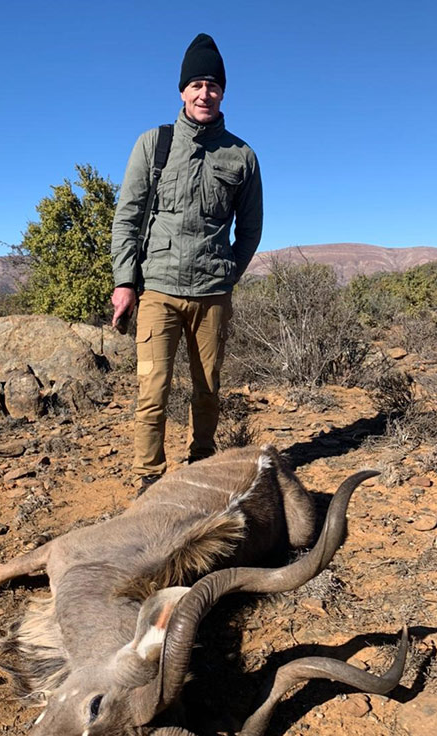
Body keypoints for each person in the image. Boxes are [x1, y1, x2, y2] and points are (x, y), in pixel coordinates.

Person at [111, 33, 263, 494]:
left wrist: (227, 273)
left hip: (212, 295)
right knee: (152, 389)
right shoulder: (154, 144)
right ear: (181, 90)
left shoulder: (241, 156)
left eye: (213, 85)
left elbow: (250, 230)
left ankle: (201, 468)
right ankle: (148, 480)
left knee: (208, 390)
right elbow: (128, 216)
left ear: (223, 92)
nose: (204, 93)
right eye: (196, 84)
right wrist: (125, 282)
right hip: (157, 290)